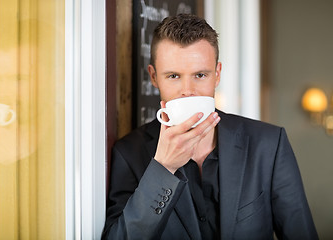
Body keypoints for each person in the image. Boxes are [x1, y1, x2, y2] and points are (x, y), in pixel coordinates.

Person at [102, 14, 318, 239]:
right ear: (154, 77)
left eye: (200, 75)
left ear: (217, 75)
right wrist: (163, 168)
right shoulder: (128, 153)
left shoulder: (268, 144)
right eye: (173, 76)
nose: (188, 90)